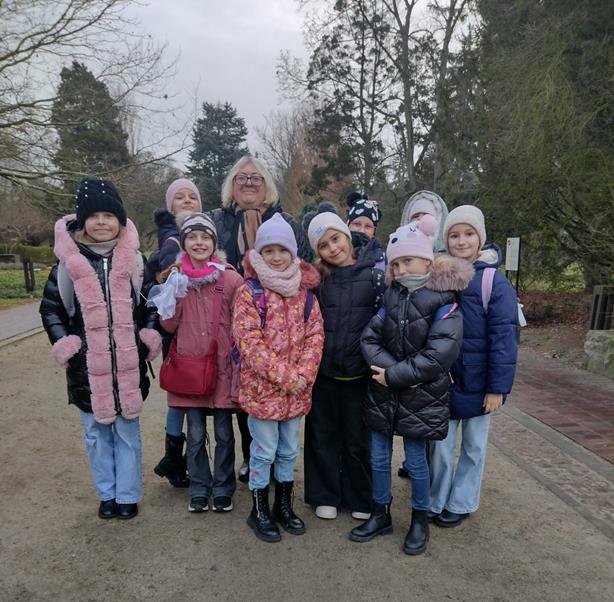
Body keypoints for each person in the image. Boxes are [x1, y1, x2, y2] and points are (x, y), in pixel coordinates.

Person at [40, 178, 162, 520]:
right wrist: (67, 344)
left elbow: (150, 304)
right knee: (96, 433)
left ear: (119, 220)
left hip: (127, 365)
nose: (102, 222)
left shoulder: (135, 262)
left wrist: (147, 336)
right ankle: (106, 493)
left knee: (127, 433)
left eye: (109, 215)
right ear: (82, 222)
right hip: (87, 369)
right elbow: (51, 310)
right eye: (93, 216)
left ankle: (127, 494)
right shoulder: (67, 265)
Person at [351, 216, 472, 555]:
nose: (401, 268)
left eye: (408, 260)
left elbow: (440, 353)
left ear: (427, 260)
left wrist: (395, 375)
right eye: (396, 263)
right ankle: (380, 512)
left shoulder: (444, 300)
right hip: (383, 391)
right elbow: (369, 338)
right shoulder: (391, 296)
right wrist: (389, 373)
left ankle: (420, 518)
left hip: (422, 394)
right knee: (379, 457)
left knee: (417, 461)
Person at [211, 155, 312, 483]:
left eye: (256, 178)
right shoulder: (218, 220)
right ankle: (250, 457)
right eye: (241, 178)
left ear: (266, 184)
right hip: (232, 317)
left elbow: (303, 265)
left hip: (280, 318)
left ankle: (272, 468)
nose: (249, 183)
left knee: (268, 391)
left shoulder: (286, 222)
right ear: (232, 185)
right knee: (243, 392)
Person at [232, 214, 324, 542]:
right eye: (268, 250)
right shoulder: (250, 293)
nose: (275, 256)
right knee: (264, 451)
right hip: (263, 391)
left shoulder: (306, 295)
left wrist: (304, 375)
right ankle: (259, 509)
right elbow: (249, 342)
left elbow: (315, 337)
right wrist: (286, 376)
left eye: (282, 250)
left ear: (292, 252)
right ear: (259, 253)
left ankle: (284, 505)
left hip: (296, 392)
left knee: (288, 451)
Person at [429, 205, 519, 528]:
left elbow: (504, 338)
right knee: (439, 446)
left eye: (468, 234)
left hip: (480, 384)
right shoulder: (439, 278)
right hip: (445, 381)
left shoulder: (493, 282)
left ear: (480, 238)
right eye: (454, 235)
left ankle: (462, 500)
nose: (462, 241)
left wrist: (497, 388)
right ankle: (436, 499)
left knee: (473, 447)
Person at [157, 213, 243, 514]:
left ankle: (223, 488)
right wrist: (174, 292)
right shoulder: (177, 277)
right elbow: (168, 325)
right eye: (192, 237)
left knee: (223, 433)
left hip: (222, 368)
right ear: (184, 243)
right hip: (189, 369)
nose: (199, 242)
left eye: (205, 237)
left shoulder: (230, 279)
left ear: (214, 243)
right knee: (194, 434)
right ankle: (199, 487)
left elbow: (243, 322)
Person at [304, 211, 386, 520]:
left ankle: (360, 496)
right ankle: (324, 494)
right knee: (322, 435)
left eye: (335, 239)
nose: (333, 248)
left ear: (347, 236)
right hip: (324, 373)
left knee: (357, 439)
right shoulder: (318, 281)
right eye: (324, 245)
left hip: (360, 374)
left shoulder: (375, 276)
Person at [151, 178, 203, 489]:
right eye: (179, 197)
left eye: (192, 197)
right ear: (170, 206)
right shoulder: (171, 239)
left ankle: (175, 457)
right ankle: (173, 457)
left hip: (196, 325)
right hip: (179, 328)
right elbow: (164, 277)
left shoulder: (200, 232)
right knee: (180, 395)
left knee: (183, 396)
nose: (186, 201)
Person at [346, 192, 386, 272]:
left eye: (368, 226)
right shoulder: (336, 253)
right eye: (357, 224)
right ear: (347, 225)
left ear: (374, 231)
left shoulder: (383, 260)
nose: (362, 230)